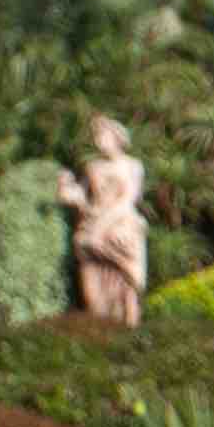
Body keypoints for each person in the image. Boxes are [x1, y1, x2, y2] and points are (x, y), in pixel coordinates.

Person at [55, 116, 149, 328]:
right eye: (96, 136)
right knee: (93, 290)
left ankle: (129, 332)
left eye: (103, 135)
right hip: (91, 232)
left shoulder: (132, 166)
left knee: (127, 289)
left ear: (117, 137)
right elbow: (84, 197)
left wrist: (102, 225)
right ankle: (99, 332)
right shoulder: (92, 167)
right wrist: (66, 189)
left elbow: (128, 200)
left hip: (120, 229)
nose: (98, 140)